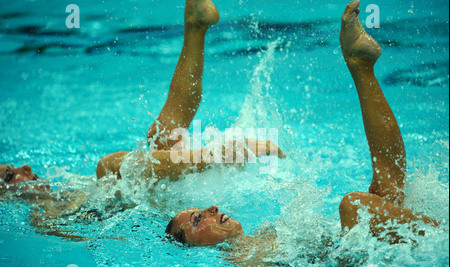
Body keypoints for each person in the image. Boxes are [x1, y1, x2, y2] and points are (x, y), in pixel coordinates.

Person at [164, 0, 440, 252]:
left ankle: (361, 66)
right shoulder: (244, 261)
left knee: (385, 194)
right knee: (356, 206)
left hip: (344, 255)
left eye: (201, 211)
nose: (212, 207)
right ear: (193, 247)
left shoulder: (260, 237)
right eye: (198, 218)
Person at [0, 0, 285, 238]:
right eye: (10, 175)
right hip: (148, 208)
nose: (25, 167)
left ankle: (196, 28)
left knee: (161, 137)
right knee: (110, 165)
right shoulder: (43, 220)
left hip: (146, 197)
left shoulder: (61, 187)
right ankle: (219, 153)